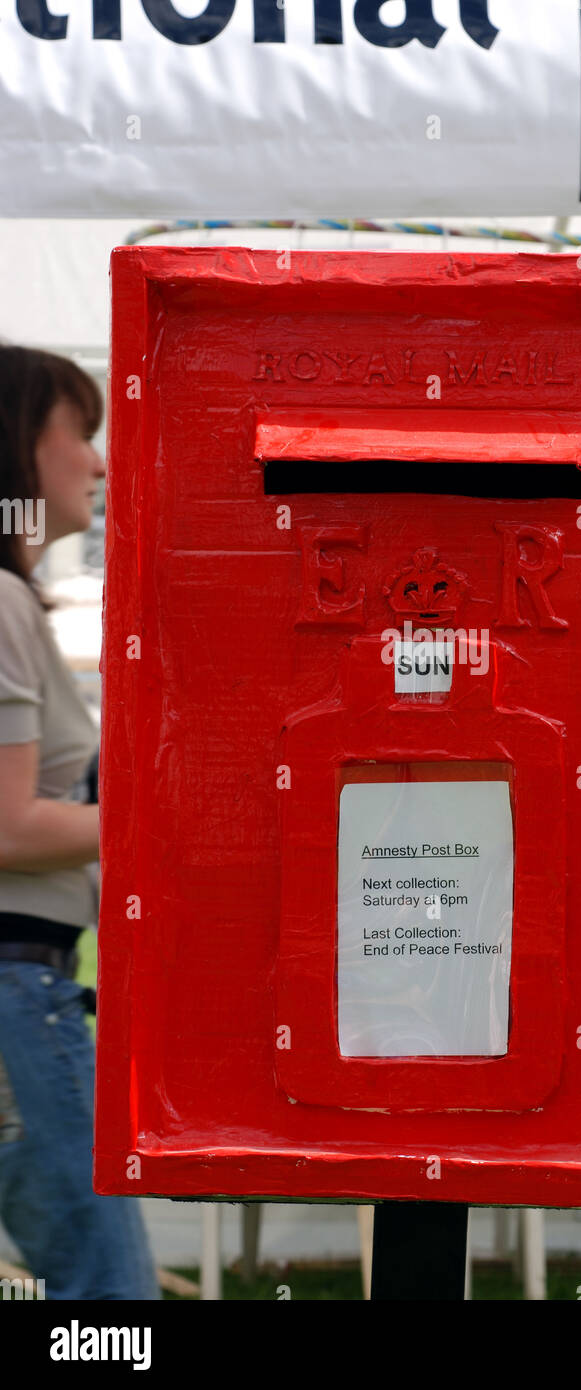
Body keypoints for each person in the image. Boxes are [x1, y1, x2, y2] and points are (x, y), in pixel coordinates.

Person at [0, 344, 159, 1300]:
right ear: (21, 444)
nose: (99, 463)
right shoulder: (2, 604)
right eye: (83, 432)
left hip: (30, 987)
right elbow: (9, 829)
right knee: (109, 1302)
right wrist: (160, 819)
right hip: (18, 994)